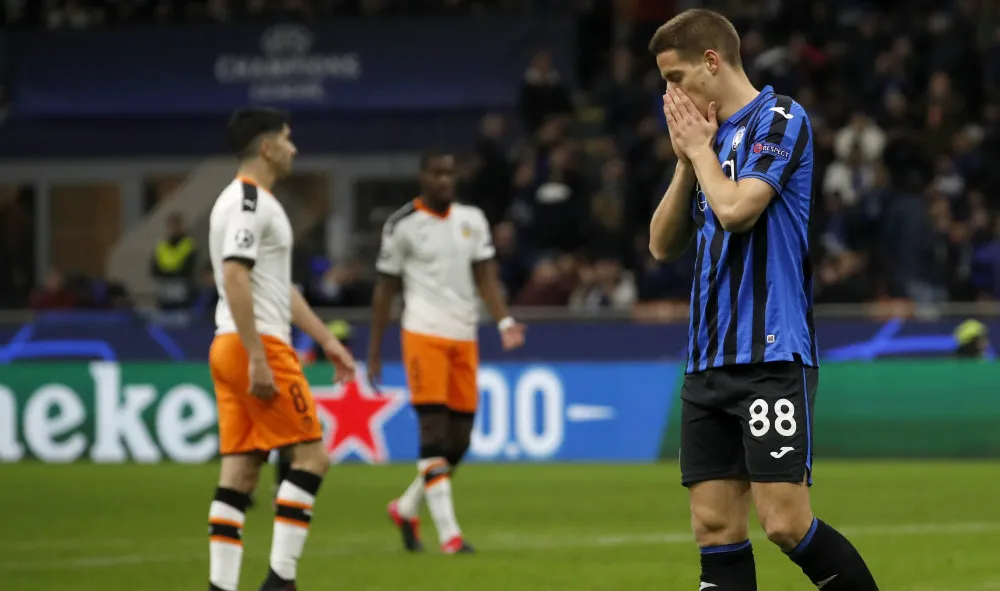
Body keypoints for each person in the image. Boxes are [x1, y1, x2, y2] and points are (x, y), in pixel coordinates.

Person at [647, 10, 879, 591]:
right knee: (714, 525)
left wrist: (700, 154)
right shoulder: (707, 140)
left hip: (770, 356)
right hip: (707, 361)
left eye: (674, 77)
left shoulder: (779, 118)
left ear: (711, 61)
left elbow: (735, 211)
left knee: (785, 523)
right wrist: (685, 160)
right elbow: (660, 244)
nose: (668, 93)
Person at [206, 107, 355, 591]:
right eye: (288, 139)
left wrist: (328, 339)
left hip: (227, 342)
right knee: (312, 459)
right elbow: (234, 274)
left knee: (241, 472)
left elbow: (278, 288)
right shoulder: (251, 203)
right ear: (266, 147)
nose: (295, 148)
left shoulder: (240, 201)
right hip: (258, 345)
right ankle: (280, 581)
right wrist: (256, 356)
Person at [368, 150, 526, 554]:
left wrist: (504, 321)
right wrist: (372, 352)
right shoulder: (401, 225)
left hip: (464, 336)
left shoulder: (471, 220)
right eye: (437, 173)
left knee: (459, 441)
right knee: (433, 434)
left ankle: (405, 506)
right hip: (422, 334)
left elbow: (485, 276)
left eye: (449, 174)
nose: (444, 180)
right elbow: (385, 290)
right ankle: (450, 536)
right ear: (422, 176)